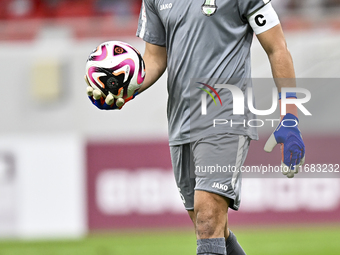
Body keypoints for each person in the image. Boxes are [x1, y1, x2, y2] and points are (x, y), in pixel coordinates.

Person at [87, 0, 306, 254]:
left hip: (226, 115)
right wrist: (124, 90)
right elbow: (155, 58)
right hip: (182, 120)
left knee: (208, 221)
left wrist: (289, 117)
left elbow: (277, 48)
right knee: (213, 229)